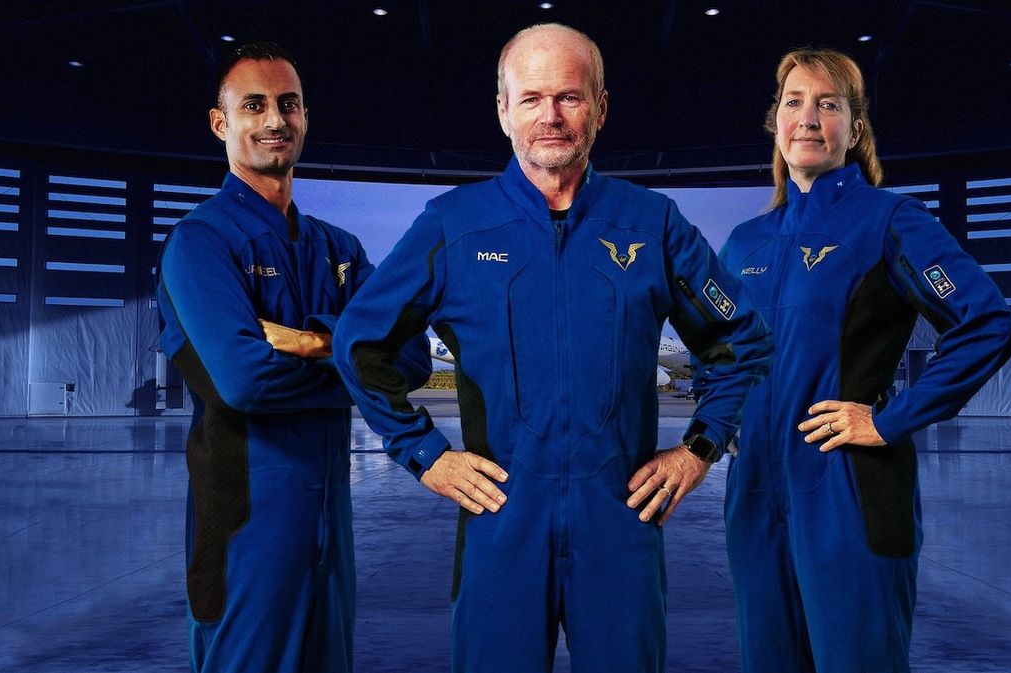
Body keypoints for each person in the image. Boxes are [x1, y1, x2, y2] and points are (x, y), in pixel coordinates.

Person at [331, 23, 773, 673]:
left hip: (619, 526)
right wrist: (427, 455)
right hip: (502, 524)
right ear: (503, 109)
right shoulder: (453, 225)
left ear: (601, 108)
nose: (551, 116)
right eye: (532, 98)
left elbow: (743, 336)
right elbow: (359, 342)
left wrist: (699, 448)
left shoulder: (653, 224)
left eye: (569, 97)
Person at [712, 48, 1011, 672]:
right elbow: (726, 350)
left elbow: (984, 324)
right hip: (754, 498)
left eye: (829, 104)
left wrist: (888, 421)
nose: (809, 117)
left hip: (847, 491)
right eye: (794, 102)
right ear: (776, 121)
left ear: (855, 128)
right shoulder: (745, 242)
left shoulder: (889, 220)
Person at [156, 42, 431, 673]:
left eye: (289, 104)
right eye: (254, 105)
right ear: (221, 122)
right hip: (247, 532)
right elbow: (245, 382)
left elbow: (413, 358)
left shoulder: (340, 247)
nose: (276, 120)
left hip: (330, 528)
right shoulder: (200, 244)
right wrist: (361, 369)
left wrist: (309, 340)